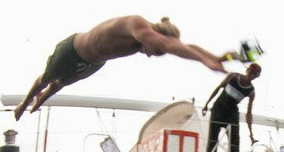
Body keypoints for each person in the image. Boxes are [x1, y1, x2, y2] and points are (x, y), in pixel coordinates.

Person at [14, 16, 226, 120]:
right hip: (72, 49)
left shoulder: (146, 40)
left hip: (93, 62)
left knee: (59, 84)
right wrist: (205, 62)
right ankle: (24, 103)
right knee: (46, 79)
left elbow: (182, 46)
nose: (150, 55)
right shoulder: (138, 26)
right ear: (156, 36)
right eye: (153, 50)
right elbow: (168, 44)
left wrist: (212, 57)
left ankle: (41, 99)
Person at [201, 63, 261, 152]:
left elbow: (249, 113)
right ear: (247, 71)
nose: (251, 76)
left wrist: (251, 133)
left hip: (232, 112)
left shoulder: (251, 91)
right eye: (250, 72)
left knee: (234, 141)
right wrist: (206, 104)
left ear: (256, 77)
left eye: (254, 75)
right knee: (213, 137)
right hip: (218, 108)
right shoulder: (233, 76)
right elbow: (218, 88)